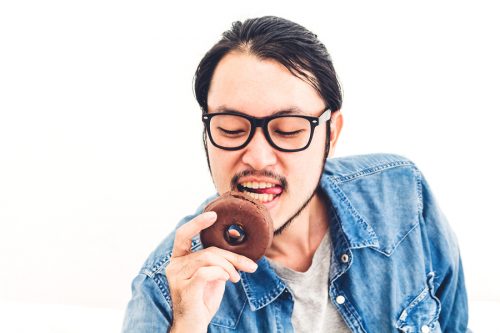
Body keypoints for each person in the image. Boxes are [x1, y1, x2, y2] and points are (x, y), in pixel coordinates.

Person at [122, 16, 469, 332]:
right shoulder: (165, 290)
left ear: (331, 134)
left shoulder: (403, 195)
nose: (257, 157)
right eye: (230, 129)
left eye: (288, 130)